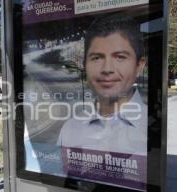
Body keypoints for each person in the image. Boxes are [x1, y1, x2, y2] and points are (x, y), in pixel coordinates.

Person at [57, 15, 147, 155]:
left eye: (120, 57)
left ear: (139, 65)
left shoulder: (155, 128)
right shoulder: (69, 129)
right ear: (85, 65)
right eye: (97, 58)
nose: (107, 69)